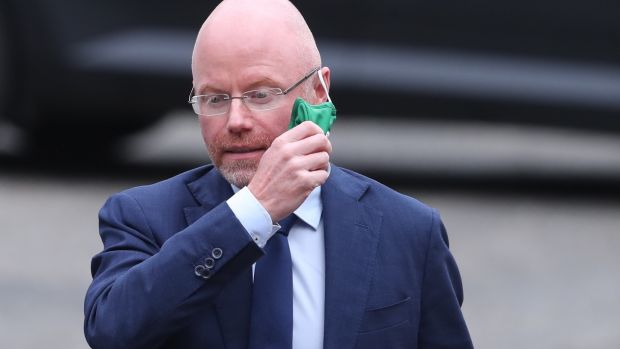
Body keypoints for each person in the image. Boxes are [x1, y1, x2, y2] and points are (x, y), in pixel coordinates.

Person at [84, 0, 473, 348]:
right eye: (215, 99)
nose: (235, 121)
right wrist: (254, 211)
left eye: (261, 94)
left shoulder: (408, 231)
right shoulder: (142, 216)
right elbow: (113, 331)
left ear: (319, 92)